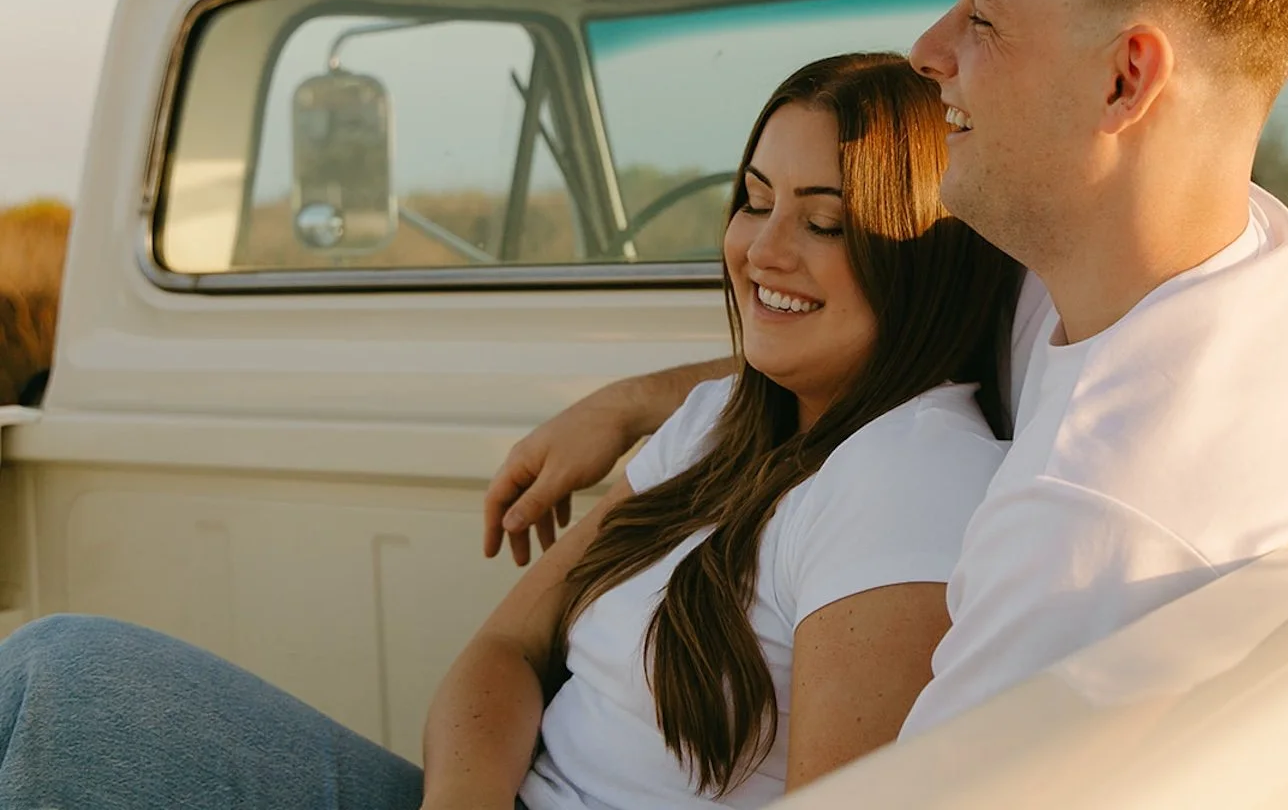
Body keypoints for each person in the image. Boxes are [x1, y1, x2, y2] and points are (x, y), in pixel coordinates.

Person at [486, 0, 1288, 737]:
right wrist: (636, 401)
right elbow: (875, 336)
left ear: (1125, 80)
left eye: (983, 20)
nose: (926, 49)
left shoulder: (1085, 534)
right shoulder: (1202, 265)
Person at [0, 53, 1022, 810]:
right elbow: (505, 647)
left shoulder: (907, 477)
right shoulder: (723, 420)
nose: (762, 248)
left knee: (57, 692)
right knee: (59, 675)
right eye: (752, 201)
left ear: (921, 257)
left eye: (825, 220)